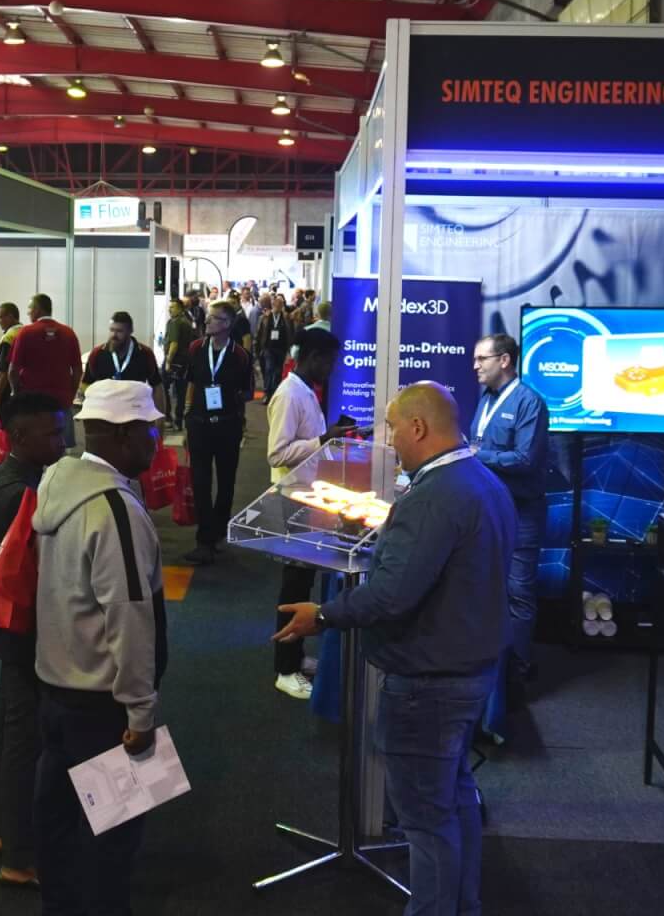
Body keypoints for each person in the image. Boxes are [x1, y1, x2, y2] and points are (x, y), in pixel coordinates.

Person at [275, 383, 515, 916]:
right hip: (467, 671)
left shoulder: (434, 496)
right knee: (454, 798)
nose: (389, 439)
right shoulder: (484, 482)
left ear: (419, 427)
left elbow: (391, 594)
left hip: (428, 682)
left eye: (393, 427)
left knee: (426, 820)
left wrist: (324, 615)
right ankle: (463, 906)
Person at [32, 379, 168, 916]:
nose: (158, 439)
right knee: (113, 843)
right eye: (151, 429)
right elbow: (129, 617)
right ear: (124, 435)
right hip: (104, 704)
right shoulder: (115, 509)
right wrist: (141, 711)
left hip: (57, 691)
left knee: (59, 831)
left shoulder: (58, 481)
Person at [0, 392, 69, 890]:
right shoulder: (23, 493)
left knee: (9, 732)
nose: (62, 443)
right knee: (24, 741)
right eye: (52, 434)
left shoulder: (9, 477)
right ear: (19, 436)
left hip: (9, 628)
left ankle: (7, 833)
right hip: (24, 631)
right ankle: (18, 856)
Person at [265, 328, 355, 699]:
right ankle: (285, 669)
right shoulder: (289, 394)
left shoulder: (304, 391)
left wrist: (330, 439)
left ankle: (295, 656)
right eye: (330, 362)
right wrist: (323, 439)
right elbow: (276, 453)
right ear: (314, 357)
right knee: (294, 586)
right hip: (292, 501)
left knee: (302, 584)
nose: (332, 369)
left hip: (307, 498)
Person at [471, 333, 550, 692]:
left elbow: (525, 458)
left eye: (482, 359)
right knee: (486, 587)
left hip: (521, 513)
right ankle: (491, 667)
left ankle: (517, 672)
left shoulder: (529, 402)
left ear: (504, 360)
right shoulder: (486, 398)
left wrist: (477, 455)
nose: (475, 366)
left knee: (518, 592)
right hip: (488, 510)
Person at [181, 300, 254, 566]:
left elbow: (247, 392)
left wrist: (231, 402)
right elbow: (191, 383)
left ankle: (219, 532)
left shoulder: (240, 355)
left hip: (227, 425)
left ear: (227, 324)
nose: (207, 321)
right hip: (199, 423)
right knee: (200, 482)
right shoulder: (195, 348)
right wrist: (187, 416)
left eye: (213, 318)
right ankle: (204, 540)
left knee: (226, 482)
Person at [8, 294, 83, 441]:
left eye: (30, 308)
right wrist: (70, 393)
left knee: (33, 442)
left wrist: (17, 394)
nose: (28, 312)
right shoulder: (69, 333)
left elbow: (13, 371)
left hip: (32, 402)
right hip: (61, 400)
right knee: (60, 444)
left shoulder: (25, 333)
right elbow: (77, 371)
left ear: (37, 309)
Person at [81, 310, 163, 414]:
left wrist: (160, 415)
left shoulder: (145, 354)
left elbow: (157, 386)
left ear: (130, 331)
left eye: (119, 331)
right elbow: (85, 384)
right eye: (111, 330)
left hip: (135, 413)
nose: (114, 335)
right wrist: (97, 397)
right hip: (105, 413)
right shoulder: (97, 354)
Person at [163, 299, 196, 427]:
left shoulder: (175, 322)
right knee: (181, 390)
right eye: (169, 307)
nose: (169, 309)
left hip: (174, 361)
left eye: (173, 307)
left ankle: (167, 417)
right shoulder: (186, 321)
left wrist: (168, 361)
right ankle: (179, 419)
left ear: (180, 309)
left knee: (162, 386)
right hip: (184, 361)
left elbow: (174, 343)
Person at [259, 295, 295, 397]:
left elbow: (291, 333)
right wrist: (258, 349)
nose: (277, 307)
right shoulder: (265, 318)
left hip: (281, 348)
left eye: (280, 305)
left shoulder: (286, 318)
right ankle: (267, 392)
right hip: (268, 348)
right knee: (269, 369)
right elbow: (259, 333)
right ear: (272, 305)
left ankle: (275, 392)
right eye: (276, 305)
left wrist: (289, 349)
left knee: (278, 371)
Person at [0, 302, 23, 409]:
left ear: (10, 317)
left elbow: (3, 372)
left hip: (4, 397)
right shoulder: (23, 332)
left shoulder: (9, 337)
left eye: (0, 317)